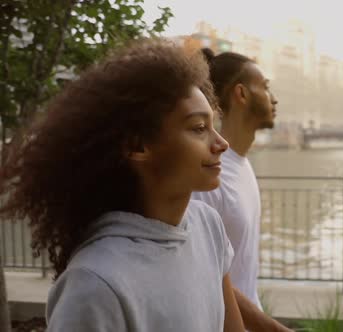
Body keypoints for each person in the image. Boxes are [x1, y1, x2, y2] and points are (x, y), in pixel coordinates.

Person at [0, 39, 245, 332]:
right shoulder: (95, 283)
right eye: (198, 128)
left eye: (213, 126)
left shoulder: (208, 226)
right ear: (138, 145)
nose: (221, 144)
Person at [192, 49, 289, 332]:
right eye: (266, 87)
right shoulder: (210, 175)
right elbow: (206, 272)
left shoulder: (241, 165)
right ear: (241, 94)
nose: (274, 98)